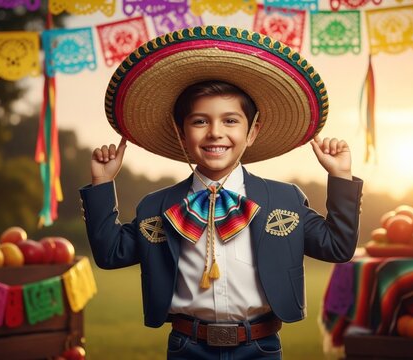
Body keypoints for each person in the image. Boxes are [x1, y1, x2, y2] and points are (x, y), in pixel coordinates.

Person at [80, 26, 363, 359]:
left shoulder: (284, 199)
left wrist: (340, 176)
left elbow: (338, 247)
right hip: (187, 347)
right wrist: (102, 183)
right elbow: (110, 254)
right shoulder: (156, 206)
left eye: (230, 121)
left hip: (261, 347)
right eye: (200, 121)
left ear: (252, 130)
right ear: (181, 132)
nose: (215, 133)